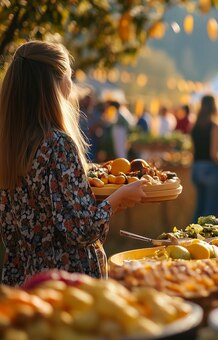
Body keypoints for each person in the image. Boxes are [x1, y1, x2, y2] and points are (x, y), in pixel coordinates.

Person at [0, 41, 146, 286]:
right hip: (66, 279)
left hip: (23, 276)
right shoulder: (57, 144)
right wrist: (118, 199)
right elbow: (82, 229)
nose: (72, 85)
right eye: (69, 76)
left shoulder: (9, 143)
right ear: (55, 83)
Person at [191, 95, 218, 220]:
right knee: (210, 212)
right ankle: (207, 239)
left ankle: (193, 237)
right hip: (210, 169)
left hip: (196, 168)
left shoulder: (195, 125)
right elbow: (214, 154)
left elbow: (193, 151)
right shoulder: (215, 126)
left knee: (199, 210)